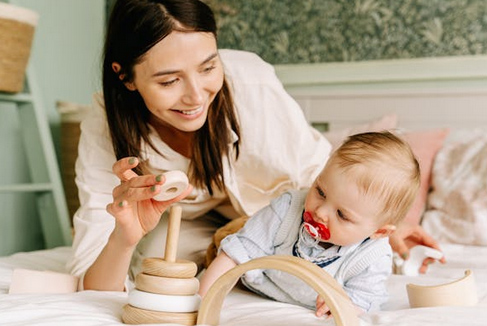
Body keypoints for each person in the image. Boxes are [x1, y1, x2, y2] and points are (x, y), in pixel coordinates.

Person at [67, 0, 442, 292]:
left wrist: (375, 228)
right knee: (154, 265)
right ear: (125, 76)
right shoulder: (106, 125)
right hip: (192, 232)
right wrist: (125, 236)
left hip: (281, 220)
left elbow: (322, 180)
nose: (196, 96)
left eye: (208, 67)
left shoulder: (252, 83)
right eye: (169, 81)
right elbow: (92, 284)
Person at [199, 131, 421, 316]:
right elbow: (234, 254)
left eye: (342, 215)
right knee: (228, 240)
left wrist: (346, 305)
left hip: (309, 301)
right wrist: (201, 303)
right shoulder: (287, 209)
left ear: (379, 231)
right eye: (321, 191)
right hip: (262, 281)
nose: (320, 212)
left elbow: (365, 300)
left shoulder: (372, 256)